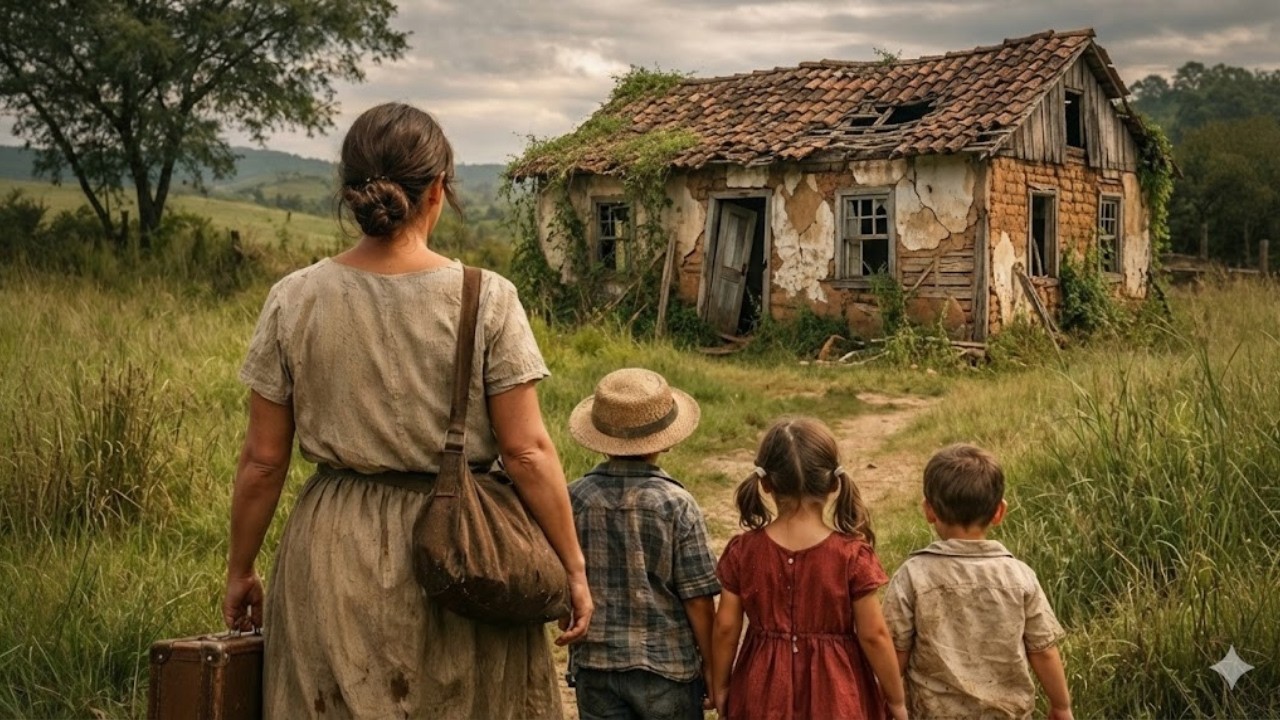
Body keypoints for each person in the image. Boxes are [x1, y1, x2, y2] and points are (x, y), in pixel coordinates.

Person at [220, 102, 593, 719]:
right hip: (465, 549)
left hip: (332, 551)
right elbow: (527, 451)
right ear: (439, 189)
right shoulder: (489, 298)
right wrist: (573, 567)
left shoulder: (293, 298)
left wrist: (240, 570)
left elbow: (263, 461)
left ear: (350, 192)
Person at [711, 417, 907, 720]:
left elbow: (725, 628)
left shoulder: (743, 551)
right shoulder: (852, 556)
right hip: (836, 696)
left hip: (761, 693)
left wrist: (721, 685)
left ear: (765, 483)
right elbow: (874, 635)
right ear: (833, 484)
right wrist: (896, 700)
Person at [565, 368, 720, 720]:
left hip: (596, 665)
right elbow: (698, 598)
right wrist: (712, 663)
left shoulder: (574, 499)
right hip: (668, 669)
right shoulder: (677, 504)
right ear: (666, 440)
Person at [882, 443, 1071, 719]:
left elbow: (895, 652)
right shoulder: (1020, 577)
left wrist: (889, 702)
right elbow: (1043, 650)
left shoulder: (912, 575)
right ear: (999, 512)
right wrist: (1061, 706)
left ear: (929, 511)